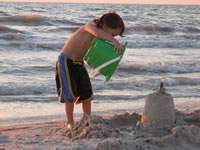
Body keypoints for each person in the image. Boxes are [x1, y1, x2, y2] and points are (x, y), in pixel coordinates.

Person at [55, 12, 125, 129]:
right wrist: (114, 42)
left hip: (79, 63)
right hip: (66, 61)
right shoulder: (89, 27)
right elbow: (97, 33)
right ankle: (70, 123)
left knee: (87, 93)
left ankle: (87, 119)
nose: (112, 38)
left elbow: (94, 53)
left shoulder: (101, 36)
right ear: (106, 26)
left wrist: (101, 65)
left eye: (115, 37)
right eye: (113, 34)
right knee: (69, 94)